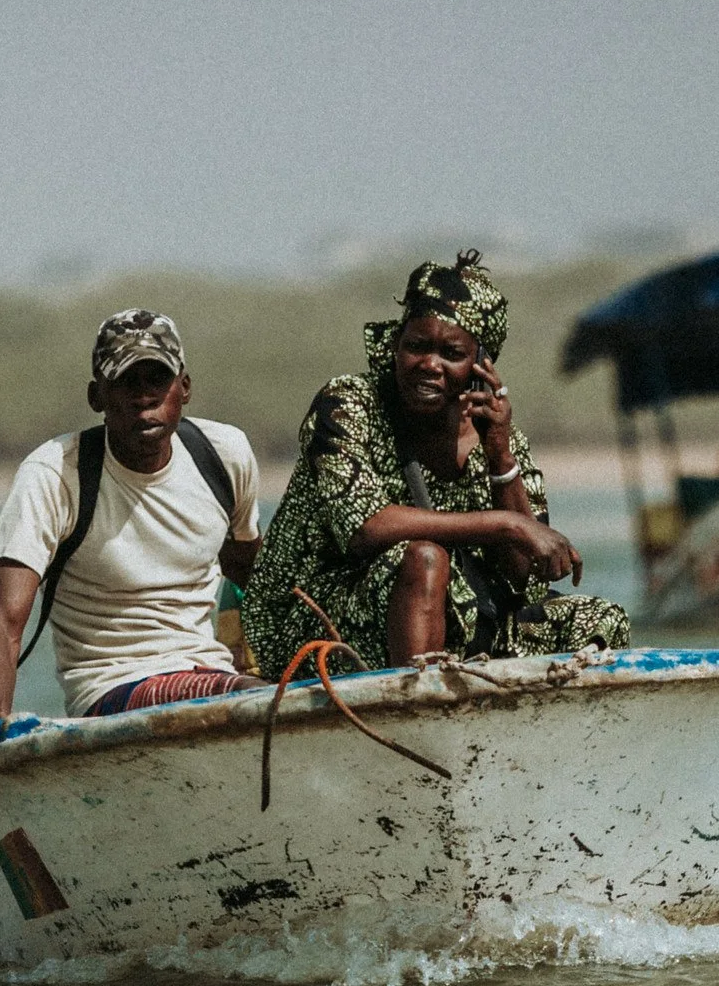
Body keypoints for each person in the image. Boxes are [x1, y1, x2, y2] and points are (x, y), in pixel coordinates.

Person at [241, 251, 629, 676]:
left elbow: (526, 578)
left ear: (481, 367)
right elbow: (366, 527)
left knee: (600, 619)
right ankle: (415, 714)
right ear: (395, 346)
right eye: (417, 346)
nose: (429, 364)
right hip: (317, 623)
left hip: (454, 614)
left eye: (451, 353)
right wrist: (507, 523)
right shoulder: (349, 404)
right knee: (423, 559)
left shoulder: (499, 434)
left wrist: (500, 454)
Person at [0, 309, 264, 755]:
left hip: (215, 674)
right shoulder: (55, 474)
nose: (143, 397)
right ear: (96, 396)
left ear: (184, 387)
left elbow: (251, 579)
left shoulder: (223, 455)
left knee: (290, 693)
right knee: (259, 701)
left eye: (156, 379)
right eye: (125, 382)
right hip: (111, 689)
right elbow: (3, 621)